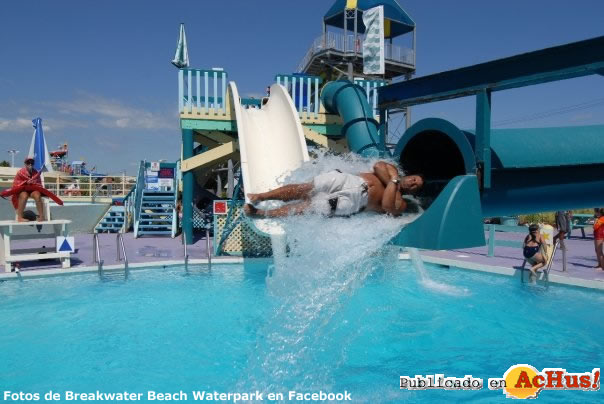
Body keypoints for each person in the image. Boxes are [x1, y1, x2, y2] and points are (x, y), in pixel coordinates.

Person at [243, 161, 424, 218]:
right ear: (410, 175)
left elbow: (387, 206)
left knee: (308, 207)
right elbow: (378, 166)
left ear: (413, 193)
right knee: (304, 188)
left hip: (355, 201)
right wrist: (394, 181)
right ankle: (262, 196)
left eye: (416, 186)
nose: (413, 182)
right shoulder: (392, 170)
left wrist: (392, 181)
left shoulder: (400, 203)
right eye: (414, 178)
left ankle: (261, 213)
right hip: (348, 179)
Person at [12, 157, 45, 222]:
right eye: (28, 162)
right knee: (24, 196)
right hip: (23, 190)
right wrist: (25, 183)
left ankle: (41, 216)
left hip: (32, 190)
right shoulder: (20, 172)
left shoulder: (36, 173)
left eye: (32, 163)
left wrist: (33, 183)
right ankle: (20, 217)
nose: (30, 164)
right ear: (25, 164)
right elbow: (15, 184)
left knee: (37, 195)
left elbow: (39, 184)